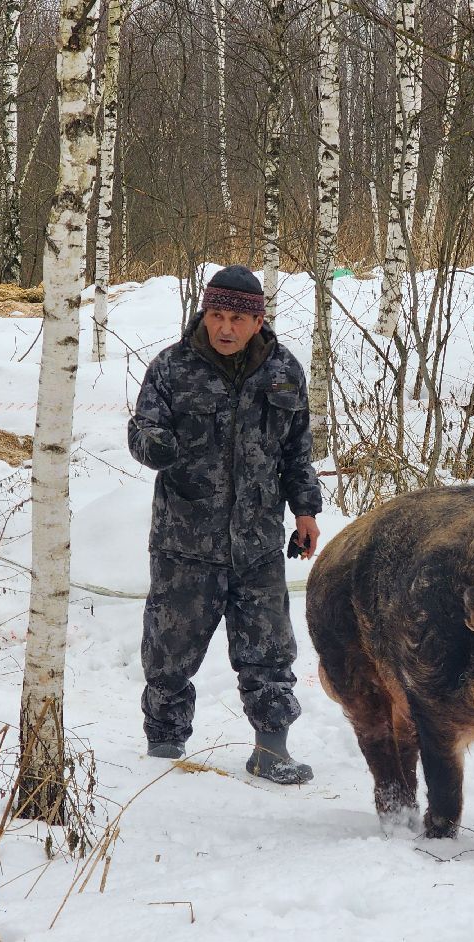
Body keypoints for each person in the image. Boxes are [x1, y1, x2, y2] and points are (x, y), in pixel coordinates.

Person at [127, 265, 323, 783]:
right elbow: (142, 428)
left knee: (270, 651)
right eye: (217, 315)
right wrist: (155, 445)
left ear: (258, 321)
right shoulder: (172, 368)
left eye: (237, 318)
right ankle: (164, 751)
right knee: (170, 652)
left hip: (258, 541)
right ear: (204, 314)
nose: (226, 329)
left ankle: (271, 750)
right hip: (184, 539)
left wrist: (306, 512)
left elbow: (297, 451)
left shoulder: (284, 371)